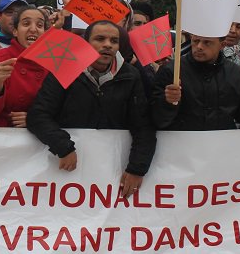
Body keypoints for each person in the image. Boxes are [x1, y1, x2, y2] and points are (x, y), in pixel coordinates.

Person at [27, 20, 157, 198]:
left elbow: (143, 125)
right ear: (86, 42)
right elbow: (38, 115)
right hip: (67, 169)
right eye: (100, 39)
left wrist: (137, 168)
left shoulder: (130, 75)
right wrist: (63, 147)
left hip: (111, 168)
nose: (107, 45)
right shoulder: (65, 68)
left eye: (113, 41)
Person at [152, 34, 240, 130]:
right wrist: (168, 102)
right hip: (183, 142)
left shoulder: (234, 73)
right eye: (195, 41)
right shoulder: (172, 71)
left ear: (222, 45)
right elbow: (156, 120)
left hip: (221, 142)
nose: (199, 46)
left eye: (207, 42)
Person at [0, 5, 48, 127]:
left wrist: (34, 119)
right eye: (26, 24)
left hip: (39, 139)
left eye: (39, 25)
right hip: (4, 138)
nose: (33, 29)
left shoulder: (53, 64)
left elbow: (62, 109)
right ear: (15, 31)